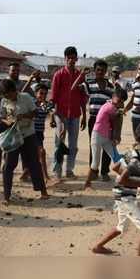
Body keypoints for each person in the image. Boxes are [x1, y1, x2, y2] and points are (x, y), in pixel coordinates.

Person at [92, 121, 140, 256]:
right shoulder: (137, 157)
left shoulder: (132, 151)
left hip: (122, 195)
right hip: (125, 197)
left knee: (120, 227)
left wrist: (135, 181)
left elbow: (115, 167)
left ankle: (98, 247)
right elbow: (123, 179)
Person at [0, 79, 49, 205]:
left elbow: (35, 112)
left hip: (28, 135)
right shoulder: (4, 101)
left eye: (8, 94)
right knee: (8, 165)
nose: (7, 97)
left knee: (34, 164)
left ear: (14, 91)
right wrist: (8, 121)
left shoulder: (26, 97)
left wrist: (24, 116)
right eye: (4, 95)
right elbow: (2, 117)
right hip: (14, 136)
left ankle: (43, 191)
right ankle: (6, 196)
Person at [0, 63, 39, 175]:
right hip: (5, 120)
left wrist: (30, 80)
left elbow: (26, 97)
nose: (15, 72)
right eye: (13, 70)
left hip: (21, 125)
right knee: (1, 142)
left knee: (22, 146)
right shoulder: (3, 83)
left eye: (17, 70)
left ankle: (25, 170)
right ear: (8, 71)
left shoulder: (21, 85)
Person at [72, 59, 114, 182]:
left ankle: (105, 172)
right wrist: (82, 75)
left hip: (107, 121)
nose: (100, 72)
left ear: (106, 71)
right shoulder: (89, 84)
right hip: (94, 120)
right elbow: (73, 88)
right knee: (94, 146)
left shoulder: (111, 87)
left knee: (107, 146)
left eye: (103, 70)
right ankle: (94, 170)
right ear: (95, 71)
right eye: (98, 70)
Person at [51, 46, 87, 181]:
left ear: (76, 59)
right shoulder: (58, 75)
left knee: (73, 145)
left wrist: (84, 115)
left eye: (73, 58)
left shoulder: (80, 76)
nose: (71, 60)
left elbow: (83, 98)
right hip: (60, 114)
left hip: (76, 115)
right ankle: (57, 171)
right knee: (59, 143)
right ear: (65, 59)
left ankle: (69, 170)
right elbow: (53, 97)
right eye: (69, 58)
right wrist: (54, 117)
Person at [84, 87, 128, 189]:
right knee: (95, 164)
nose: (120, 102)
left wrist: (114, 138)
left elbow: (116, 121)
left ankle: (125, 179)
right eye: (119, 100)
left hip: (106, 137)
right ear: (113, 97)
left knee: (116, 157)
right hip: (97, 136)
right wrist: (116, 137)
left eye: (122, 101)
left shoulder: (112, 105)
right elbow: (116, 121)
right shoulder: (110, 107)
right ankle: (87, 182)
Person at [31, 83, 53, 182]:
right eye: (41, 93)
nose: (42, 96)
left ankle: (24, 175)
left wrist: (52, 119)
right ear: (36, 93)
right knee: (41, 152)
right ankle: (45, 176)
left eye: (45, 94)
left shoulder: (46, 104)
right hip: (30, 133)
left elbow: (52, 111)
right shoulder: (31, 103)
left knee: (34, 156)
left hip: (40, 133)